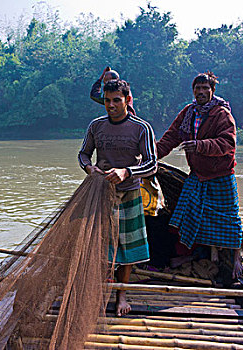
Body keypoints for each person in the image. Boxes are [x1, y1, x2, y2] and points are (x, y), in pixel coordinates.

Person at [79, 79, 157, 316]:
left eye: (116, 100)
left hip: (130, 192)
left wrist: (127, 171)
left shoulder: (141, 128)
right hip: (101, 193)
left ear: (127, 101)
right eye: (107, 100)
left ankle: (121, 294)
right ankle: (99, 291)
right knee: (101, 246)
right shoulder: (96, 126)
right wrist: (89, 168)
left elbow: (152, 163)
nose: (111, 105)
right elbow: (83, 154)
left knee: (128, 247)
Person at [156, 72, 243, 279]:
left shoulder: (221, 114)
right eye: (198, 88)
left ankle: (236, 257)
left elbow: (227, 144)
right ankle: (200, 254)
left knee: (229, 218)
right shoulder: (189, 112)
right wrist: (152, 155)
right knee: (189, 215)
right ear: (193, 91)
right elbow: (171, 137)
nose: (201, 92)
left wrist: (199, 146)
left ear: (212, 91)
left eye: (206, 88)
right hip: (198, 174)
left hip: (221, 174)